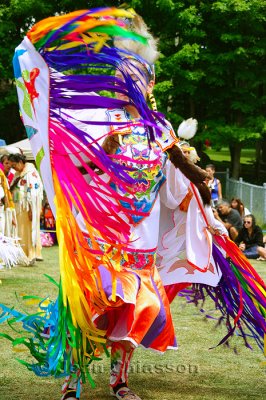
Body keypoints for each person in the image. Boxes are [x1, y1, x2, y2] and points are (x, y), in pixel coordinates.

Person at [1, 8, 265, 400]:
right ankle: (72, 381)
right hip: (100, 237)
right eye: (130, 78)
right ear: (119, 83)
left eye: (142, 78)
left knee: (137, 313)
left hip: (140, 244)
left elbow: (186, 175)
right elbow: (78, 175)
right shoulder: (100, 120)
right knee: (89, 311)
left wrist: (208, 207)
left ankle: (119, 381)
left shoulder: (160, 129)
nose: (137, 85)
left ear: (150, 83)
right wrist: (102, 154)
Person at [8, 154, 43, 264]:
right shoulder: (18, 174)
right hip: (19, 208)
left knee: (29, 231)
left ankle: (31, 254)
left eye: (14, 166)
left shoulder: (31, 173)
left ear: (20, 162)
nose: (14, 169)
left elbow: (35, 193)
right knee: (21, 231)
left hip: (28, 208)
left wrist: (32, 210)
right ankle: (22, 253)